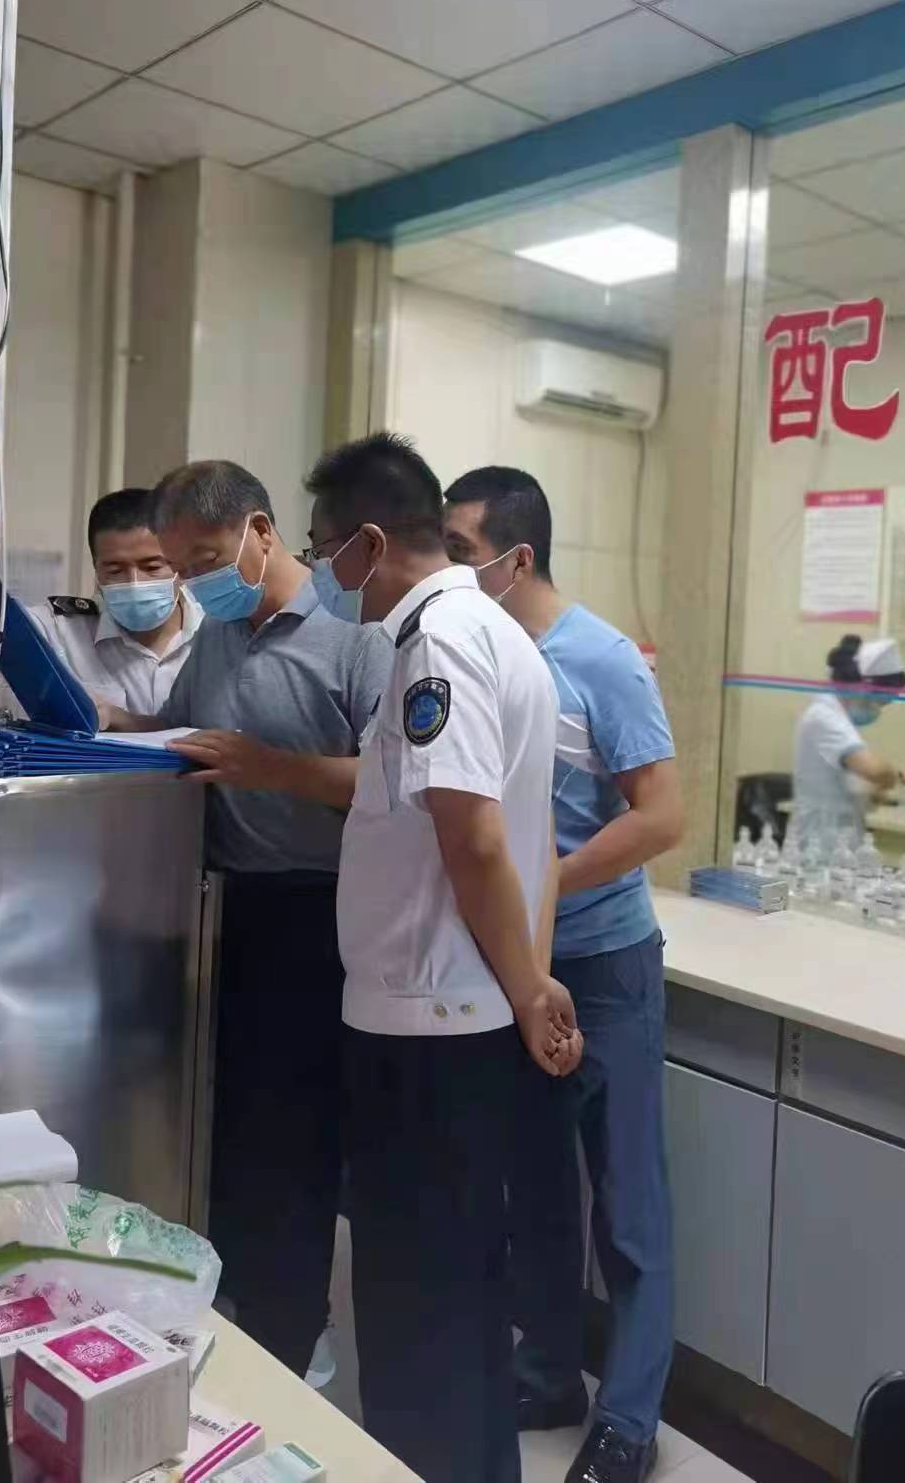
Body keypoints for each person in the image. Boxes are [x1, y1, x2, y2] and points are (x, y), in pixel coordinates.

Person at [305, 432, 582, 1483]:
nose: (323, 571)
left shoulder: (439, 642)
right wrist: (530, 983)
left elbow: (475, 838)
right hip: (455, 1017)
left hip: (427, 1027)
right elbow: (528, 840)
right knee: (460, 1303)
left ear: (371, 542)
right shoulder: (499, 633)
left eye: (325, 549)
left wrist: (526, 989)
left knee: (417, 1312)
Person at [99, 460, 393, 1380]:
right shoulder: (222, 635)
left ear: (261, 531)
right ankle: (231, 1317)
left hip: (320, 916)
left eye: (205, 560)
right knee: (224, 1134)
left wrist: (273, 768)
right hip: (225, 910)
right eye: (181, 567)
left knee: (292, 1147)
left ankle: (294, 1338)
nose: (194, 584)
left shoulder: (358, 634)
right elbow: (186, 739)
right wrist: (104, 723)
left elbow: (398, 784)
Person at [445, 465, 684, 1483]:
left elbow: (662, 816)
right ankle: (547, 1373)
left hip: (603, 961)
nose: (449, 569)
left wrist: (547, 880)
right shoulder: (473, 651)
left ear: (517, 557)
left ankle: (629, 1418)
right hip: (516, 964)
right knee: (535, 1188)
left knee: (626, 1202)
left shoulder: (600, 660)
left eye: (461, 552)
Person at [26, 487, 201, 716]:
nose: (134, 583)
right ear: (97, 571)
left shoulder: (219, 633)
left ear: (181, 564)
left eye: (152, 567)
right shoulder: (57, 631)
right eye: (115, 570)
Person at [793, 635, 905, 841]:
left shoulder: (838, 717)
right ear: (860, 689)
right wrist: (890, 777)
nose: (877, 710)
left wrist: (872, 791)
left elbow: (847, 778)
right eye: (878, 703)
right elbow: (876, 770)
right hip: (820, 842)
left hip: (839, 838)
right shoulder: (824, 717)